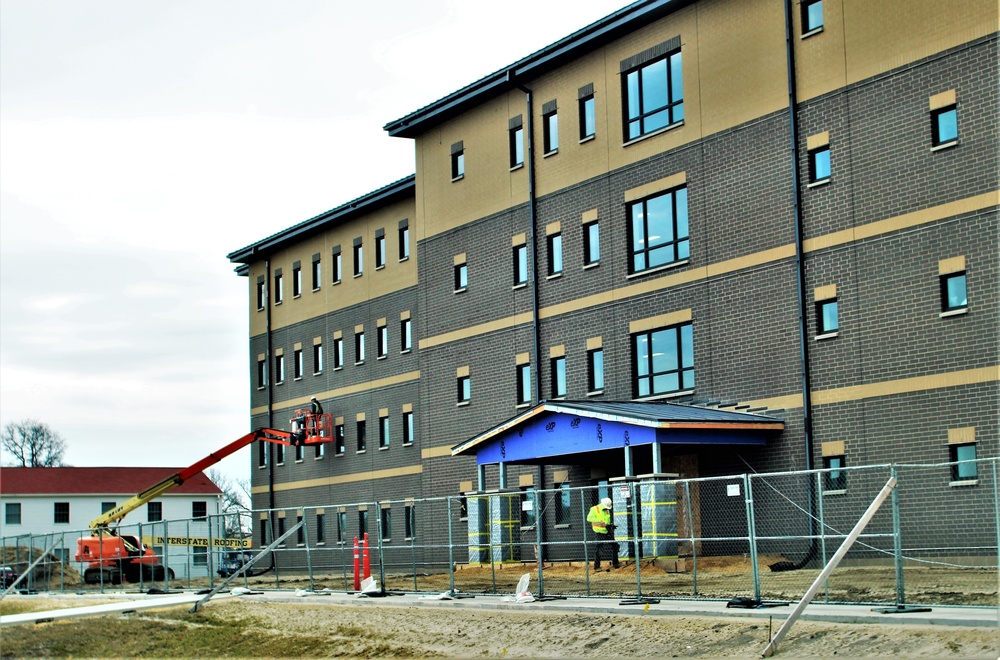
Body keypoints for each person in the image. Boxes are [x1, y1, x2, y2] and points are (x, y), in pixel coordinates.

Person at [586, 497, 619, 570]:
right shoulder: (594, 509)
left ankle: (615, 563)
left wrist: (610, 526)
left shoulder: (607, 510)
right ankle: (597, 566)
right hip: (599, 532)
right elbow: (589, 518)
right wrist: (599, 521)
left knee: (615, 546)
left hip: (607, 532)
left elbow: (607, 521)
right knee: (599, 549)